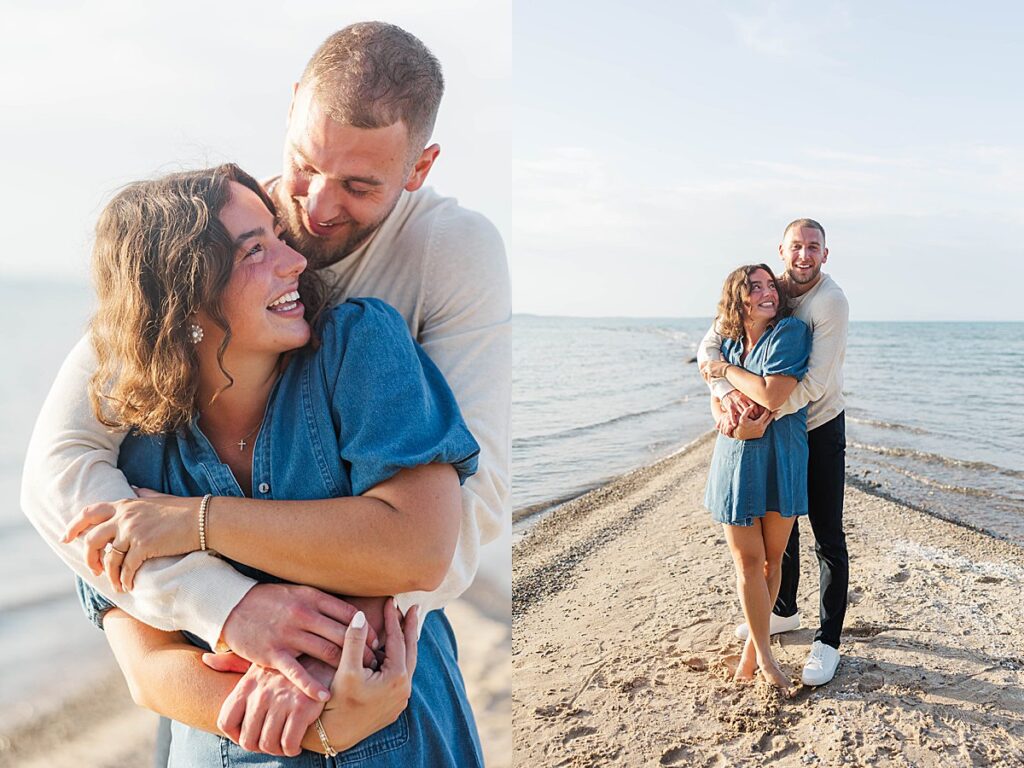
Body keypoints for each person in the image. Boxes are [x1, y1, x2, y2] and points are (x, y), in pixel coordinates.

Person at [21, 20, 509, 709]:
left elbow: (474, 496)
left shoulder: (450, 252)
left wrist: (332, 636)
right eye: (306, 165)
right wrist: (220, 609)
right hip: (217, 647)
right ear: (291, 108)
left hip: (371, 639)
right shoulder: (213, 229)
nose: (316, 208)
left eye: (359, 185)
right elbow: (60, 468)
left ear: (418, 169)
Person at [64, 163, 485, 764]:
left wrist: (197, 522)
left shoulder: (357, 346)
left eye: (278, 237)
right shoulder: (133, 446)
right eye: (254, 250)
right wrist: (320, 723)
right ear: (184, 295)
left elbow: (419, 548)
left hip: (399, 743)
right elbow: (147, 667)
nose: (294, 262)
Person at [698, 219, 849, 686]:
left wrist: (761, 411)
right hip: (763, 430)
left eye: (813, 247)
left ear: (825, 254)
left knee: (826, 533)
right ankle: (781, 612)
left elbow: (812, 384)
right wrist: (724, 398)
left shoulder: (828, 301)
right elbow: (710, 346)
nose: (804, 255)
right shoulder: (773, 288)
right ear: (782, 251)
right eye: (796, 247)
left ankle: (827, 640)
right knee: (777, 538)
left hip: (816, 423)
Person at [700, 263, 811, 694]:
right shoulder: (726, 341)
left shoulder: (790, 332)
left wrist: (725, 371)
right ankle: (765, 657)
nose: (768, 292)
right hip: (736, 454)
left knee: (772, 560)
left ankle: (752, 651)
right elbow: (715, 401)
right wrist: (726, 419)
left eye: (770, 285)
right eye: (756, 287)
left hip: (781, 454)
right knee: (747, 562)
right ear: (738, 298)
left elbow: (771, 393)